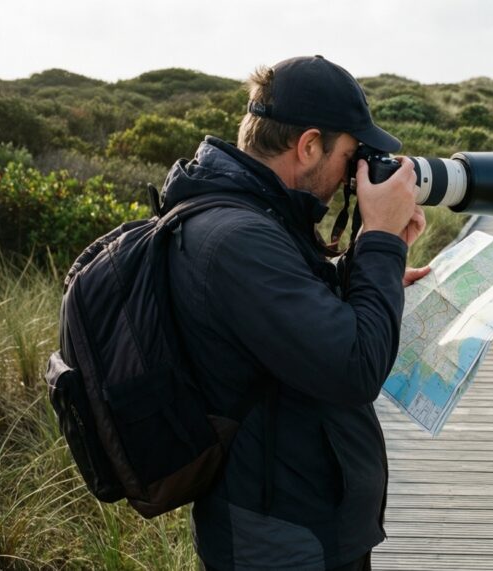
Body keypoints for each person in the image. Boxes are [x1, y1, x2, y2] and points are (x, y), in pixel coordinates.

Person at [161, 55, 429, 571]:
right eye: (350, 154)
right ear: (308, 146)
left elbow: (286, 321)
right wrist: (376, 240)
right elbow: (354, 368)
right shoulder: (237, 239)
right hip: (281, 541)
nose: (352, 174)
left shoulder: (252, 218)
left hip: (298, 522)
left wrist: (369, 271)